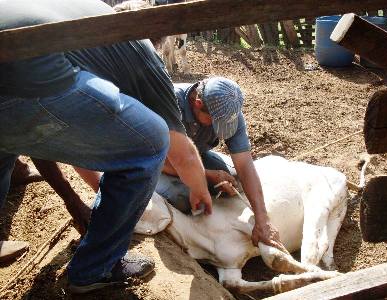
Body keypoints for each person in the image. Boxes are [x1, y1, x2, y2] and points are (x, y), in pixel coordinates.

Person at [0, 0, 211, 294]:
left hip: (15, 59)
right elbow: (182, 151)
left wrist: (79, 198)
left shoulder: (83, 19)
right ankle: (95, 269)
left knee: (4, 146)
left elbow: (37, 137)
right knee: (151, 140)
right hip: (29, 68)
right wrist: (200, 190)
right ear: (157, 43)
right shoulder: (142, 51)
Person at [156, 77, 288, 252]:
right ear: (197, 103)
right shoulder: (168, 103)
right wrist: (207, 175)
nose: (221, 128)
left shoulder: (228, 111)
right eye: (214, 122)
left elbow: (245, 165)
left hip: (195, 156)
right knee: (181, 197)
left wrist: (262, 219)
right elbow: (161, 160)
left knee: (234, 180)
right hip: (154, 161)